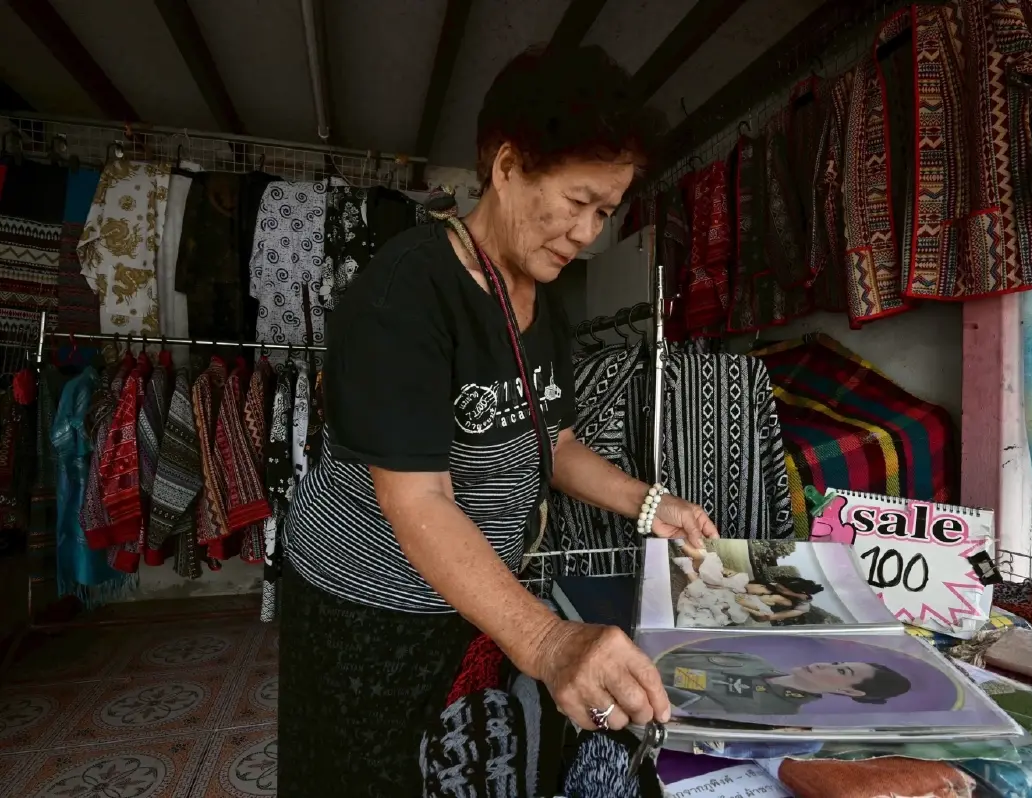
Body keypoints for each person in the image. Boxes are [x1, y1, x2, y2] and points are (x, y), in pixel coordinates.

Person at [278, 44, 720, 793]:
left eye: (605, 213)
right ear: (508, 167)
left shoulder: (544, 299)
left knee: (457, 764)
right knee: (360, 775)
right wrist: (547, 641)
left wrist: (650, 504)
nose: (587, 234)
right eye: (578, 202)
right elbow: (416, 497)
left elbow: (556, 444)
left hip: (469, 595)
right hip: (367, 606)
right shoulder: (406, 295)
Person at [656, 649, 912, 716]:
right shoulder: (752, 660)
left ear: (847, 690)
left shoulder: (771, 713)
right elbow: (672, 654)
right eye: (837, 662)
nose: (826, 665)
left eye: (842, 672)